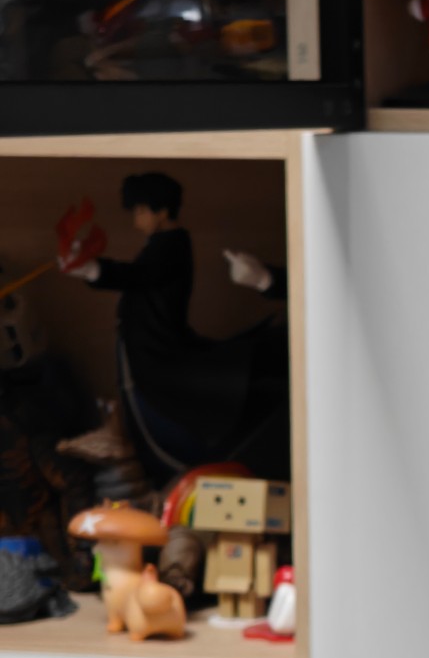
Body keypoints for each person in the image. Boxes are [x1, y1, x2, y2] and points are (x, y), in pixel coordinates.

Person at [59, 171, 288, 480]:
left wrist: (95, 269)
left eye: (142, 211)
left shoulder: (172, 245)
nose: (137, 219)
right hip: (148, 346)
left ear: (163, 211)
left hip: (161, 350)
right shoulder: (161, 244)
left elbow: (140, 276)